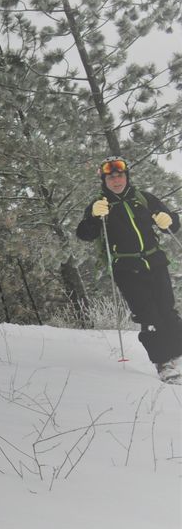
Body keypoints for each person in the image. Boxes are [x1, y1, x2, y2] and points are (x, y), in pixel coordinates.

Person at [76, 156, 181, 384]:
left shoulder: (143, 199)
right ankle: (163, 363)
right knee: (149, 315)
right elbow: (84, 234)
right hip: (126, 268)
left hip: (155, 262)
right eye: (111, 177)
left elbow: (173, 224)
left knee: (167, 309)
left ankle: (178, 355)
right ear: (104, 180)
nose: (116, 180)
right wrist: (93, 216)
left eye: (120, 175)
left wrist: (168, 220)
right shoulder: (101, 205)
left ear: (127, 176)